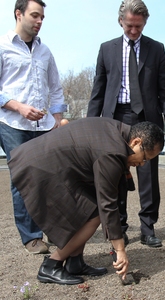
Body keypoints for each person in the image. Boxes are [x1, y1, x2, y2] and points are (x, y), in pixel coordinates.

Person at [8, 118, 165, 285]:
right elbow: (107, 203)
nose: (142, 164)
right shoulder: (112, 150)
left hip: (45, 161)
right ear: (136, 141)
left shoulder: (117, 131)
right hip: (41, 167)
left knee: (89, 207)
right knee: (95, 214)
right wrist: (120, 250)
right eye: (145, 158)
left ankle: (75, 262)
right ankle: (51, 265)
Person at [87, 0, 165, 248]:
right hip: (115, 118)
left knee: (148, 175)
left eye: (139, 26)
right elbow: (98, 90)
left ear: (145, 23)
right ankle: (121, 226)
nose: (134, 31)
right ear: (120, 22)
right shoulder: (107, 49)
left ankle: (148, 227)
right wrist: (90, 124)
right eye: (130, 26)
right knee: (116, 173)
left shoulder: (156, 49)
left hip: (147, 118)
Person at [0, 0, 67, 254]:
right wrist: (18, 106)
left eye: (42, 18)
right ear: (19, 14)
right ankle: (31, 237)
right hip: (12, 123)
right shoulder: (3, 47)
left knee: (49, 176)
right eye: (35, 16)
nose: (39, 22)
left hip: (44, 126)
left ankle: (54, 227)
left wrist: (59, 119)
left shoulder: (45, 52)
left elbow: (56, 88)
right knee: (22, 177)